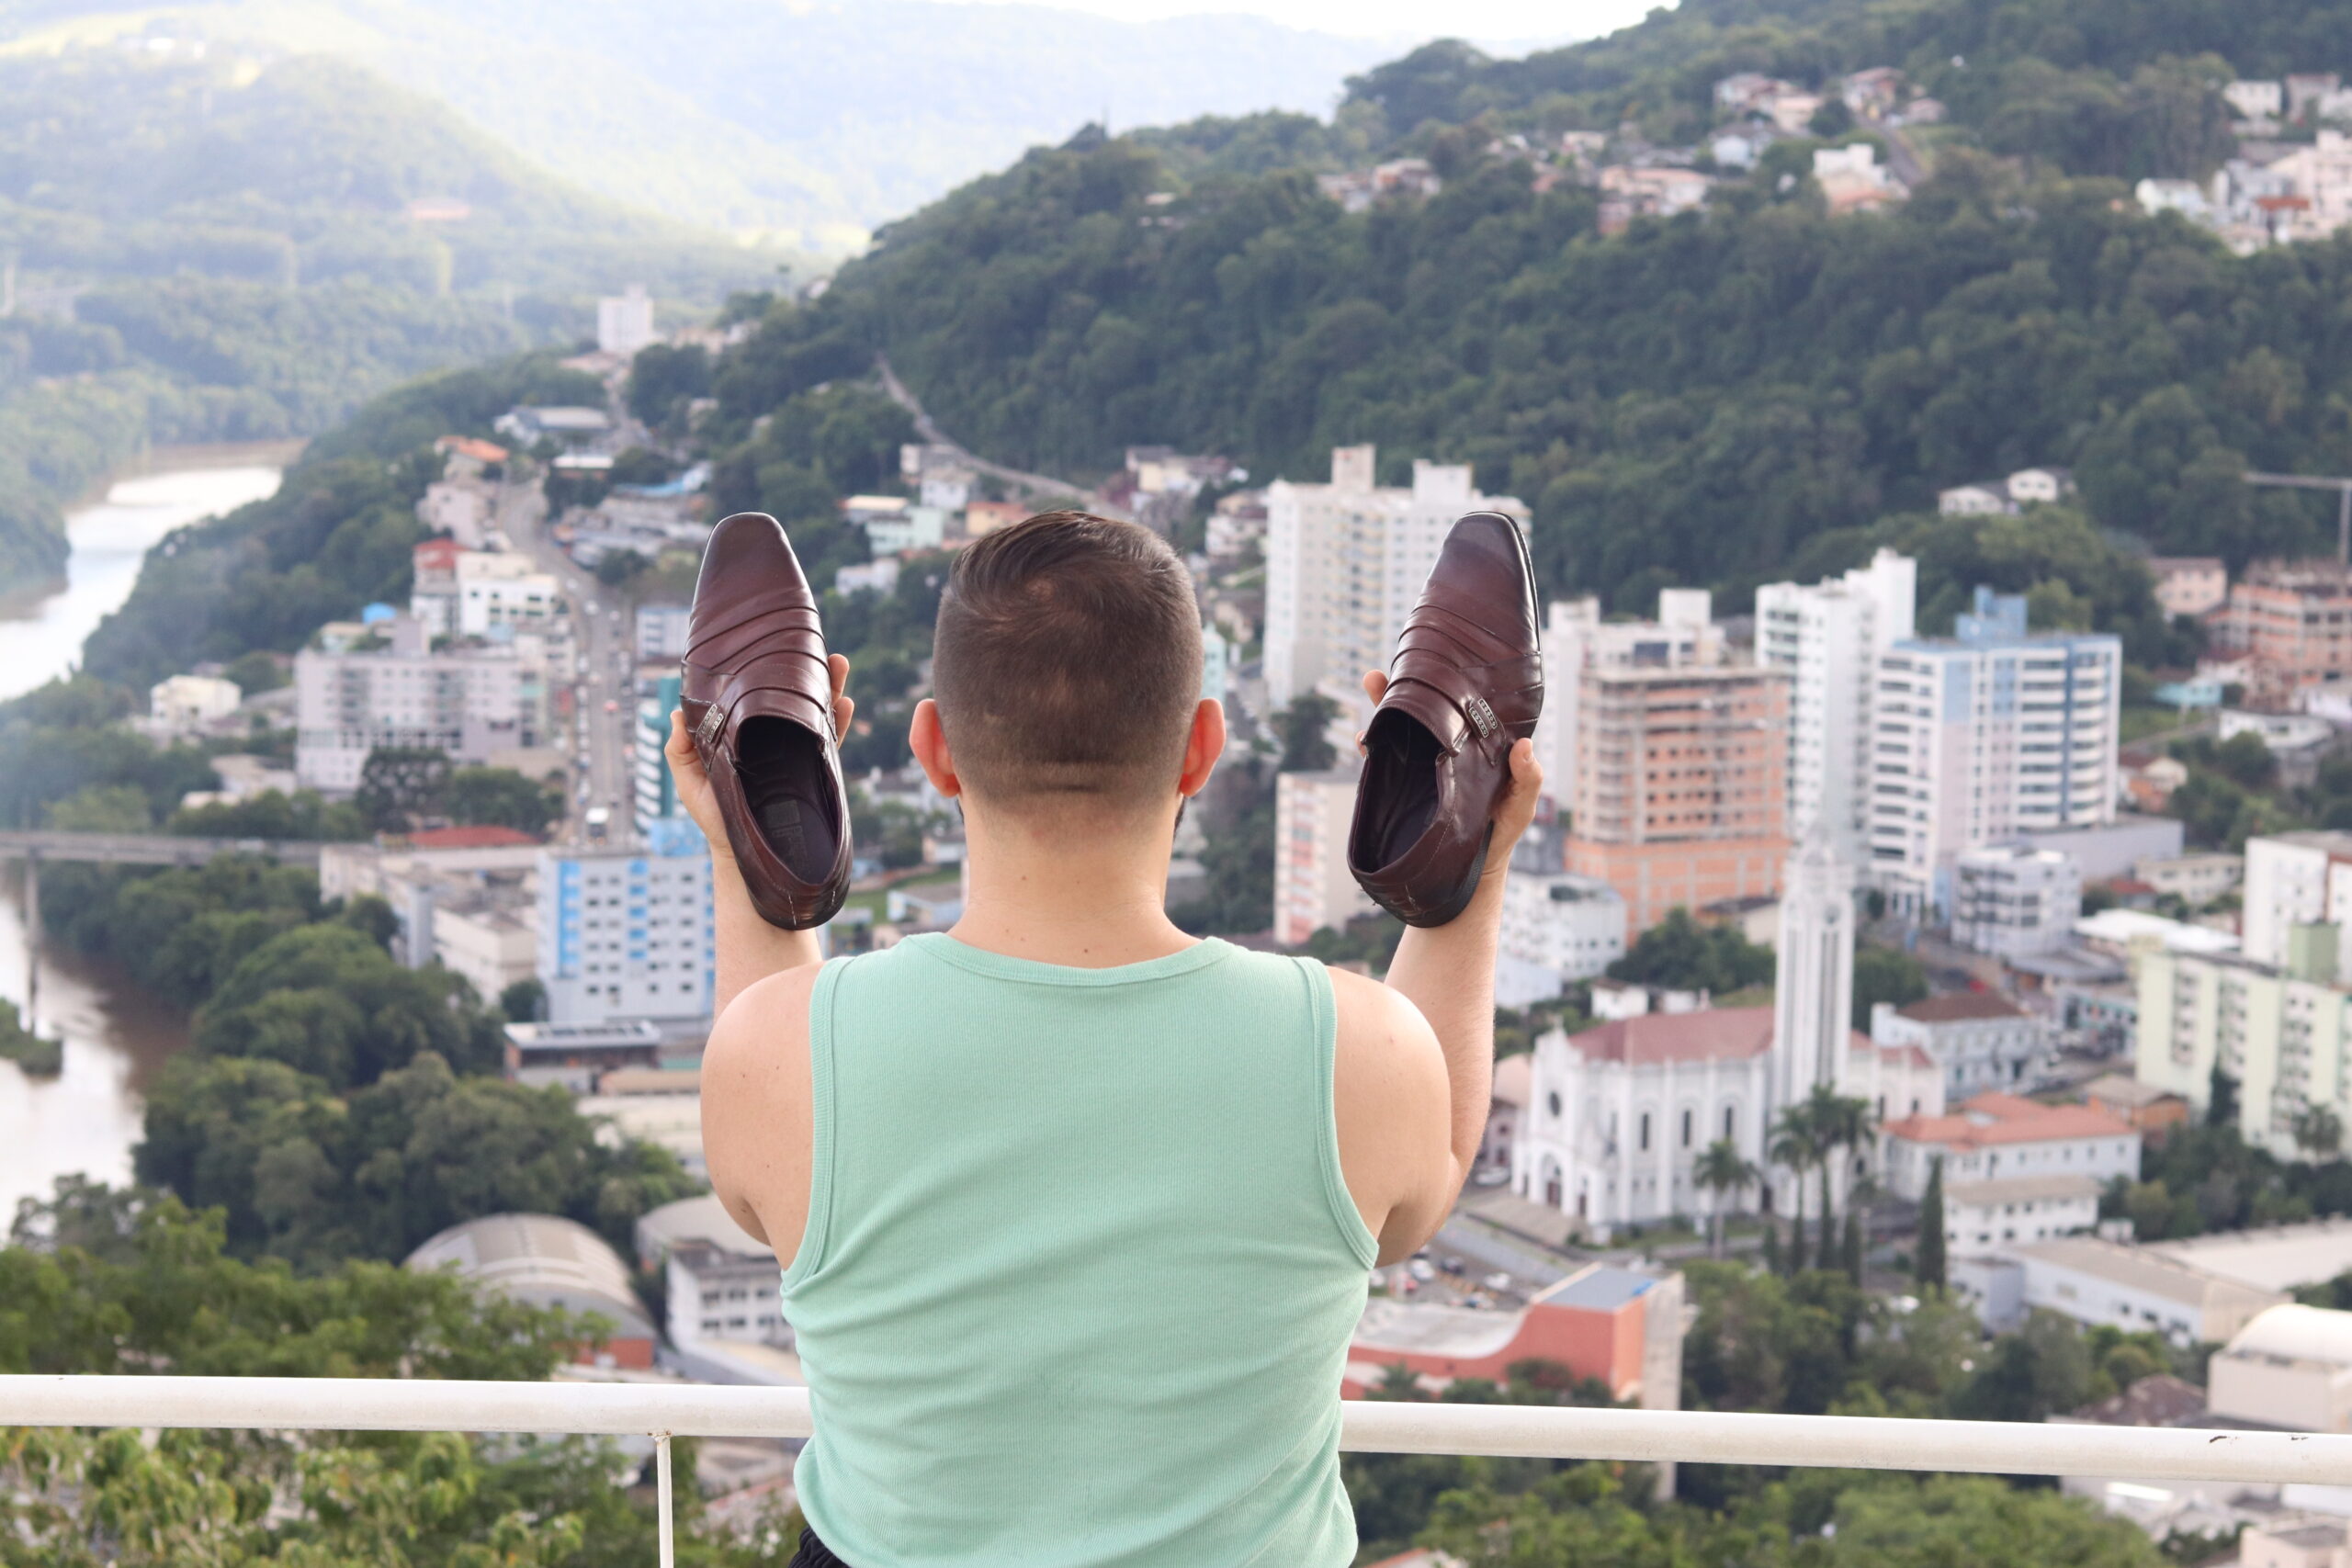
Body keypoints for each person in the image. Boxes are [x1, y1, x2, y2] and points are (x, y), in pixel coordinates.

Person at [668, 510, 1539, 1568]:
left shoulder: (775, 1050)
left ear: (935, 750)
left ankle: (769, 799)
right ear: (1203, 749)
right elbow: (1429, 1181)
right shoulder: (1361, 1050)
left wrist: (739, 832)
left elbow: (775, 1116)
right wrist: (1475, 850)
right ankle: (1444, 812)